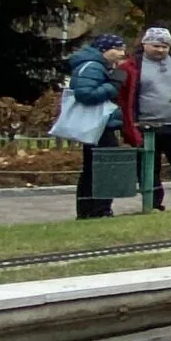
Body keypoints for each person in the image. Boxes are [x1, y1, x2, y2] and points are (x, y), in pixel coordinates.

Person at [116, 26, 171, 210]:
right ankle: (153, 205)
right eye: (156, 45)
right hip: (145, 126)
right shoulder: (130, 66)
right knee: (148, 170)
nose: (161, 50)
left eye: (165, 46)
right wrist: (129, 127)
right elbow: (122, 99)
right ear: (145, 43)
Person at [65, 33, 129, 219]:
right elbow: (85, 94)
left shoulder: (99, 66)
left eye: (122, 48)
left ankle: (88, 210)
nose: (121, 53)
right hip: (99, 125)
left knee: (92, 168)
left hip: (100, 124)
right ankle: (99, 209)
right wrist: (114, 84)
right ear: (103, 50)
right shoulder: (93, 67)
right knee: (104, 166)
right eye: (116, 49)